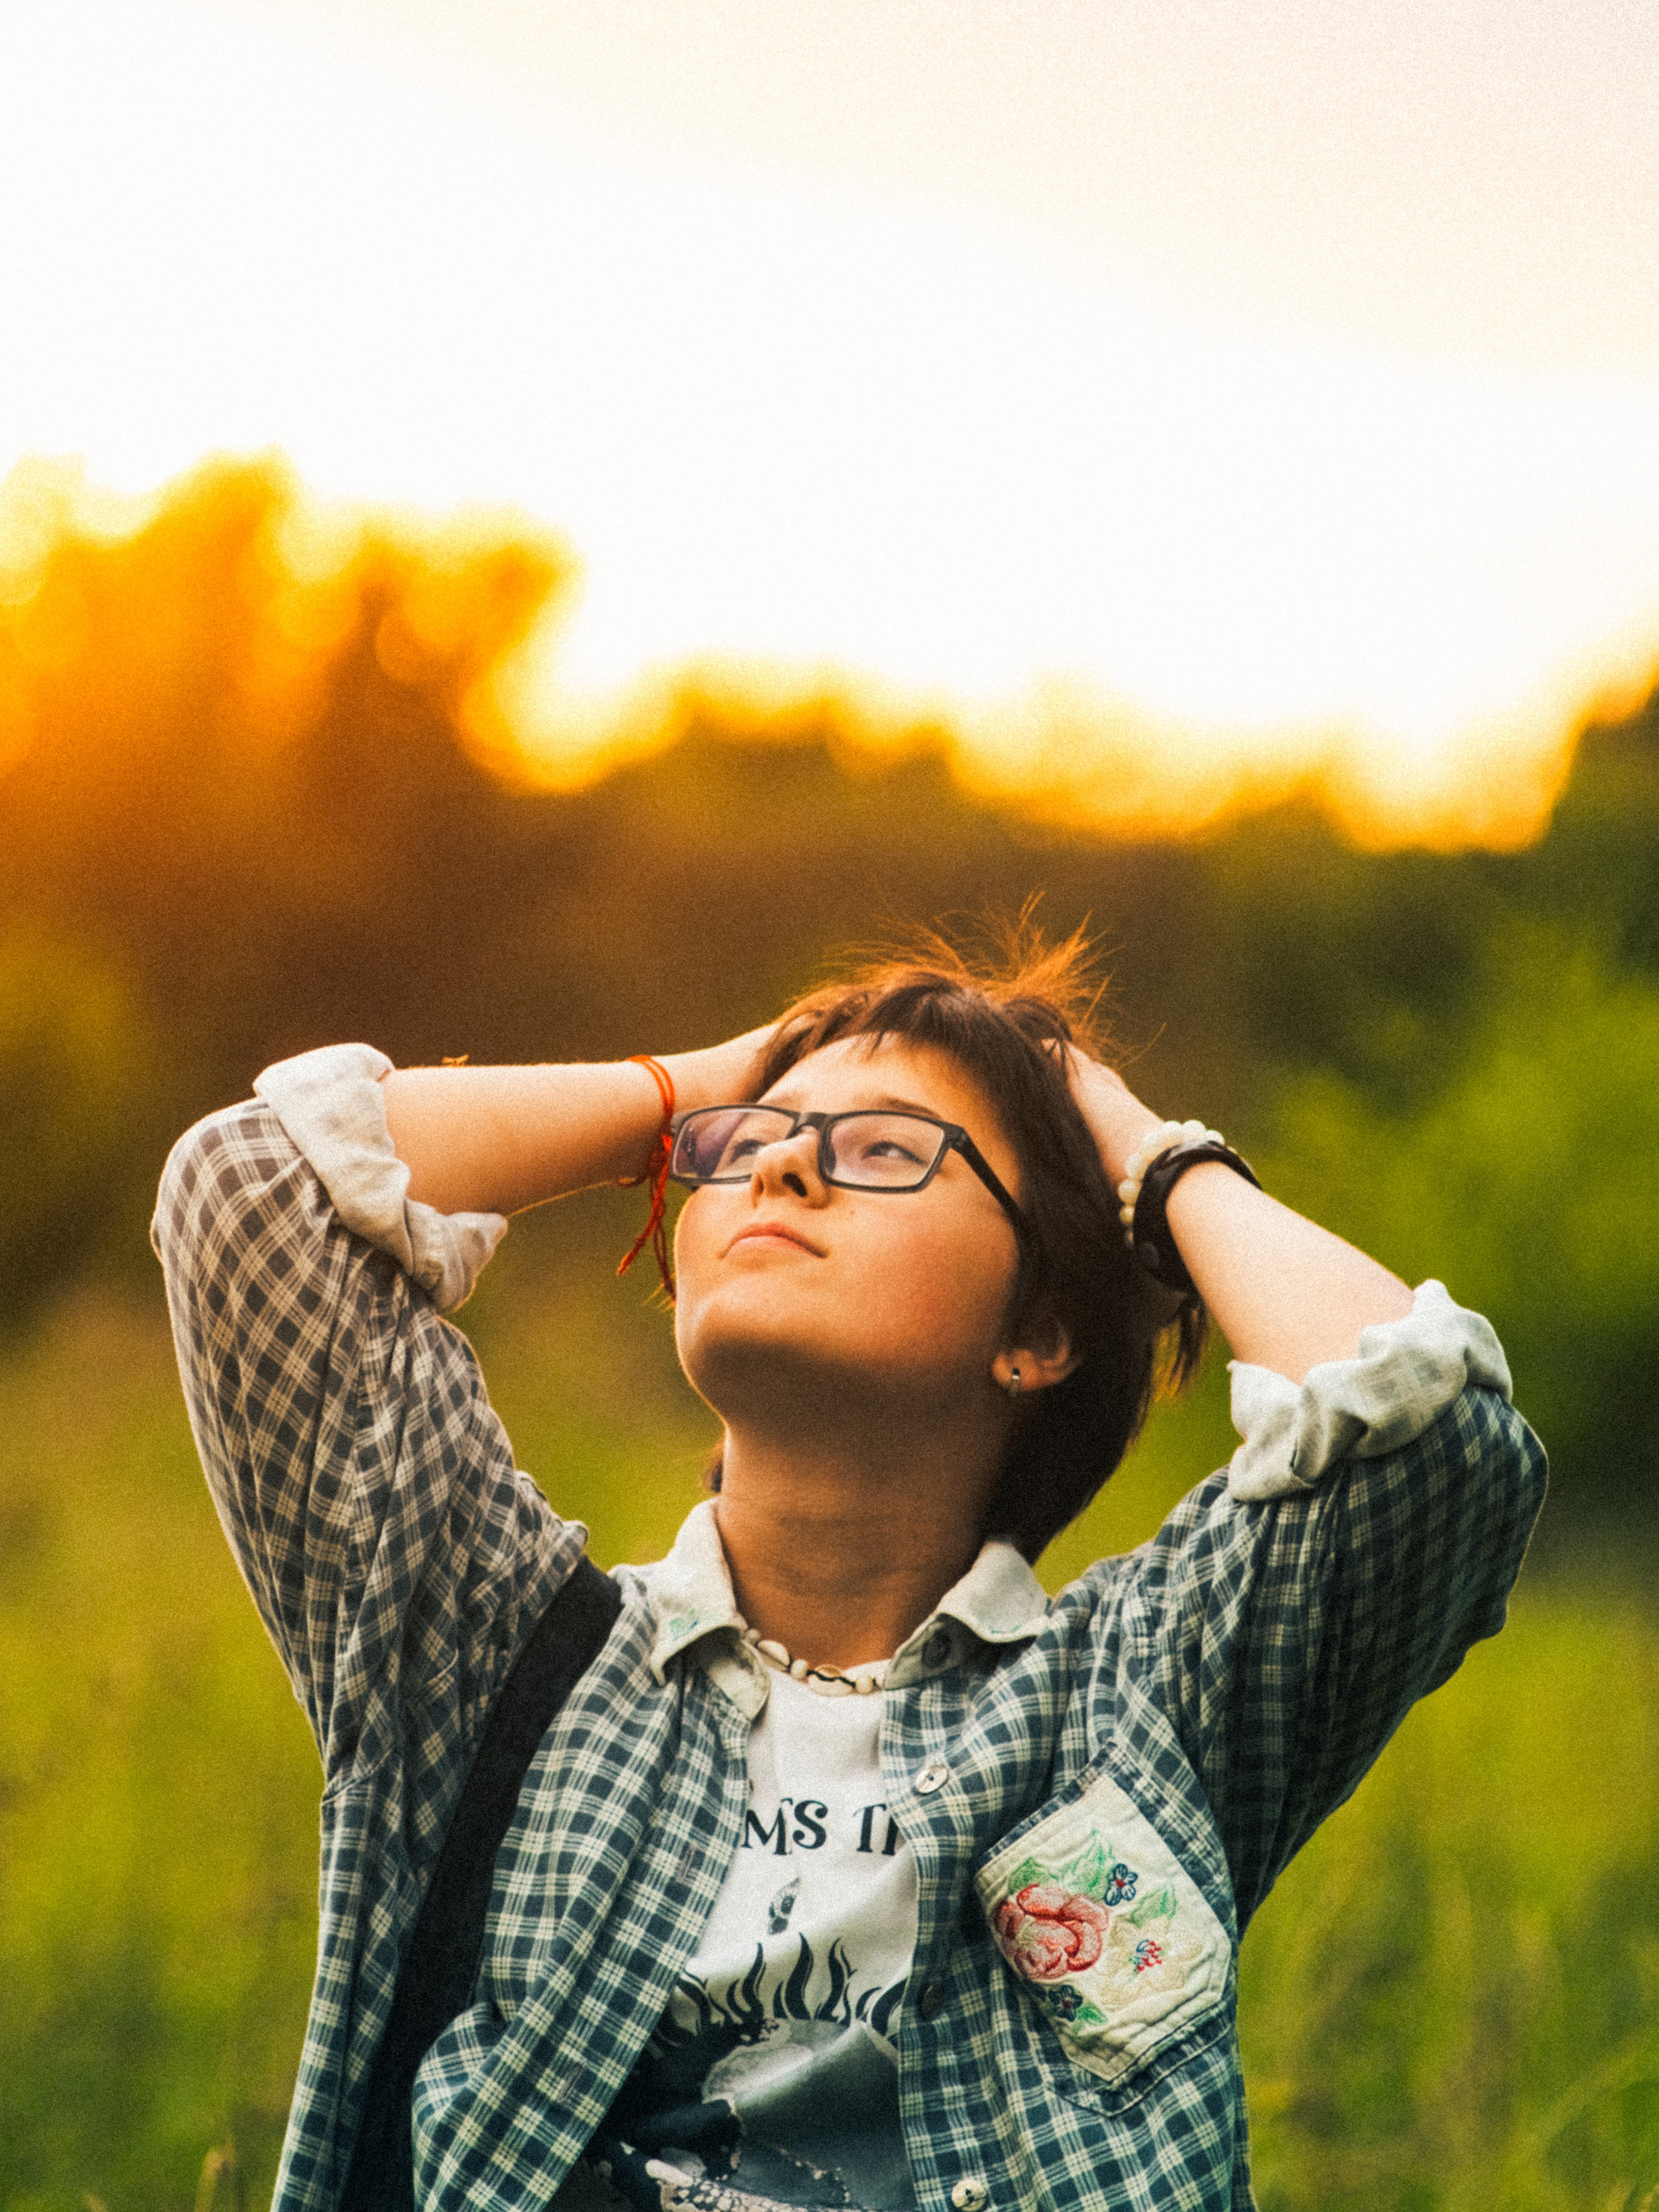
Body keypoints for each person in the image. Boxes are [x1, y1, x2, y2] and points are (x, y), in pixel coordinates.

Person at [152, 928, 1544, 2212]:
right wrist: (718, 1077)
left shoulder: (1145, 1699)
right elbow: (247, 1189)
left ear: (1040, 1330)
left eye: (884, 1151)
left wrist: (1135, 1144)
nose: (779, 1168)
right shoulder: (493, 1645)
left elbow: (1433, 1445)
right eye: (748, 1148)